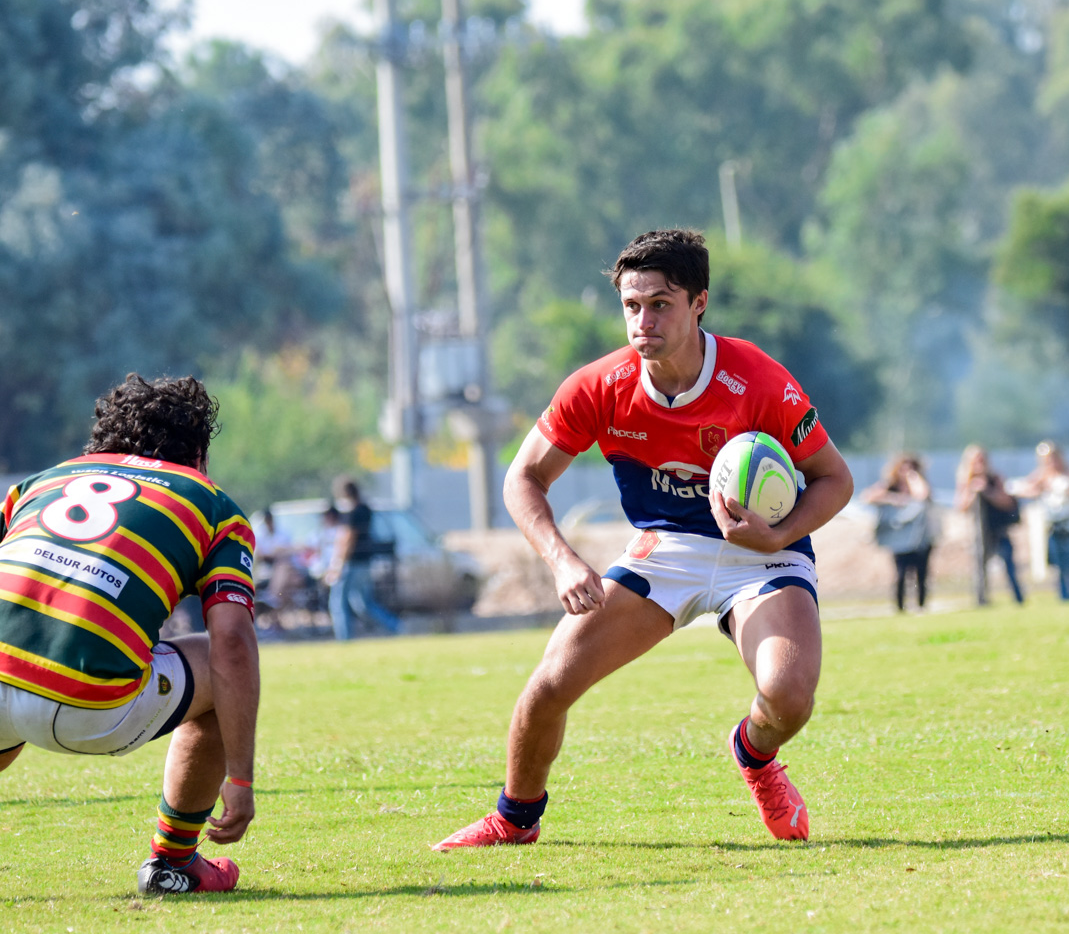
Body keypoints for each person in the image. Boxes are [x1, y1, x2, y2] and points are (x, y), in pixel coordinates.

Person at [432, 229, 853, 850]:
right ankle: (513, 820)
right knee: (547, 688)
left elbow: (835, 479)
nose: (643, 320)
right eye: (632, 305)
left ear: (698, 303)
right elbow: (522, 479)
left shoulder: (756, 379)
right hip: (666, 549)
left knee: (788, 696)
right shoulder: (599, 387)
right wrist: (563, 560)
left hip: (763, 557)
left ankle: (754, 755)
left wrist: (779, 535)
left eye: (660, 303)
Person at [0, 374, 259, 893]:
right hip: (92, 705)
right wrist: (241, 779)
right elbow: (232, 640)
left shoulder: (37, 483)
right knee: (214, 660)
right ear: (199, 453)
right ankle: (172, 863)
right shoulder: (212, 503)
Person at [324, 478, 400, 641]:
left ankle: (344, 639)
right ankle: (395, 626)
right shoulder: (366, 509)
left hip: (351, 563)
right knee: (363, 602)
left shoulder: (352, 513)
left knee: (338, 601)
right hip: (366, 562)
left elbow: (347, 539)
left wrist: (337, 565)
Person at [861, 454, 936, 612]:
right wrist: (893, 498)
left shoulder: (920, 484)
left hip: (920, 538)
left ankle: (921, 606)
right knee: (901, 573)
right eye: (904, 467)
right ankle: (900, 607)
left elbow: (923, 495)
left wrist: (913, 478)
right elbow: (868, 497)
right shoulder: (890, 486)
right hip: (899, 538)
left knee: (921, 573)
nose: (907, 471)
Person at [1015, 441, 1069, 601]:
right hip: (1054, 526)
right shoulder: (1042, 476)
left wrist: (1065, 487)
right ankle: (1064, 597)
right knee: (1059, 566)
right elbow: (1026, 489)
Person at [954, 445, 1024, 606]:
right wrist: (972, 490)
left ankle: (1018, 598)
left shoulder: (995, 478)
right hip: (979, 532)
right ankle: (982, 600)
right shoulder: (966, 481)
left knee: (1009, 565)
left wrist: (987, 490)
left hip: (998, 529)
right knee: (979, 568)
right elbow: (961, 507)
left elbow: (1007, 502)